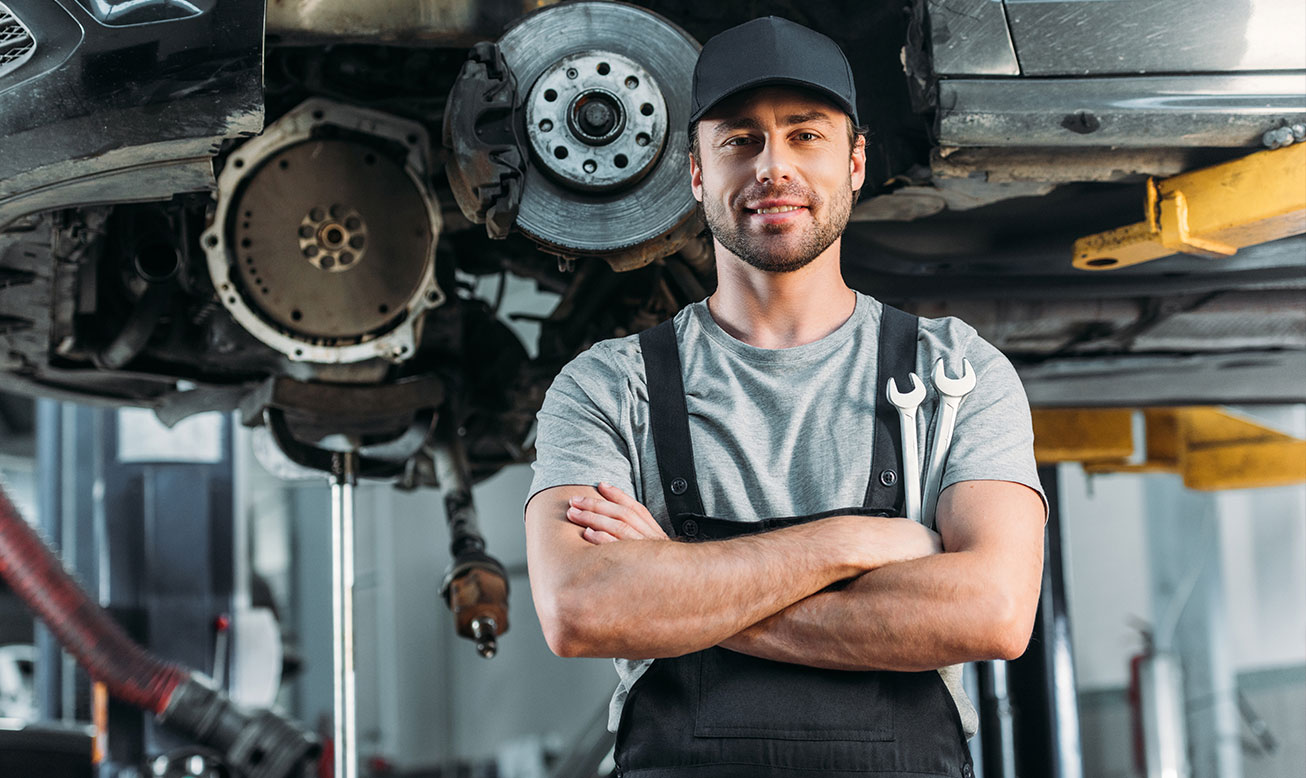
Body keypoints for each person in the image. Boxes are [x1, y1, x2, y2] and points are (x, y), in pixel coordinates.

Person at [524, 16, 1047, 778]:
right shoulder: (608, 388)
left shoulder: (956, 373)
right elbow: (580, 610)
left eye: (806, 136)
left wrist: (673, 576)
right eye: (740, 141)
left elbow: (993, 613)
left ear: (856, 161)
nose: (773, 166)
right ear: (696, 173)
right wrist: (849, 546)